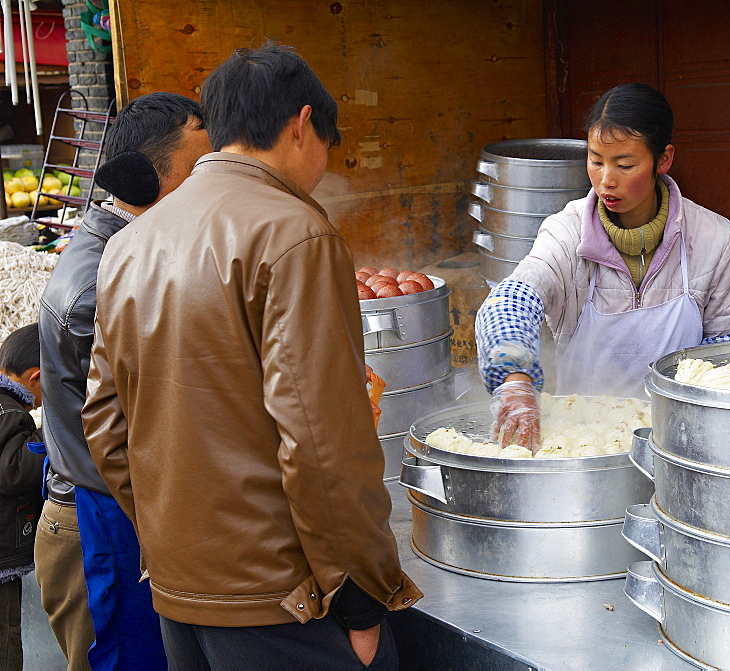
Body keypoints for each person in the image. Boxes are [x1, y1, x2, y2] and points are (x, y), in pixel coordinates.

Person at [82, 42, 421, 670]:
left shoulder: (133, 241)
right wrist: (361, 598)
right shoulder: (294, 232)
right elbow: (322, 443)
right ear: (302, 124)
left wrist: (179, 545)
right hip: (286, 606)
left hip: (180, 597)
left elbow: (105, 426)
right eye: (329, 141)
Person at [475, 83, 730, 451]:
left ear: (664, 159)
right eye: (595, 160)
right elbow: (512, 300)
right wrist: (514, 380)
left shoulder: (713, 238)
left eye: (624, 164)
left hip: (685, 443)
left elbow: (729, 345)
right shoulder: (566, 232)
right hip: (583, 448)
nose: (607, 178)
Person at [37, 91, 211, 670]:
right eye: (196, 173)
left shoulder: (136, 249)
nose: (209, 190)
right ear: (141, 180)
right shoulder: (97, 286)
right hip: (103, 518)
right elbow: (147, 421)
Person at [0, 323, 45, 670]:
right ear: (35, 378)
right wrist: (49, 435)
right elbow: (14, 472)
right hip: (2, 554)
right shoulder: (12, 415)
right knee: (6, 633)